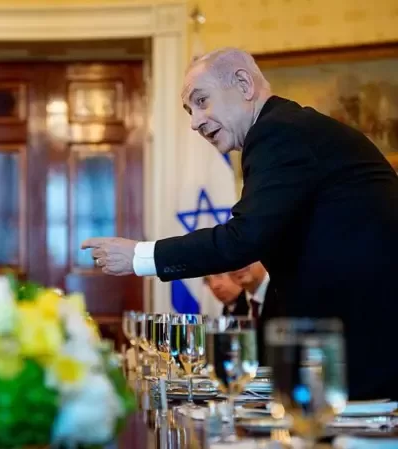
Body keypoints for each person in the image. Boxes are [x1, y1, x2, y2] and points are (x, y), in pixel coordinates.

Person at [82, 47, 398, 401]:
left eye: (202, 101)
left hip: (368, 349)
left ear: (244, 84)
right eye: (190, 110)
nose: (195, 122)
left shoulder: (279, 132)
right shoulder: (288, 128)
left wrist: (140, 255)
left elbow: (244, 238)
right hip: (351, 344)